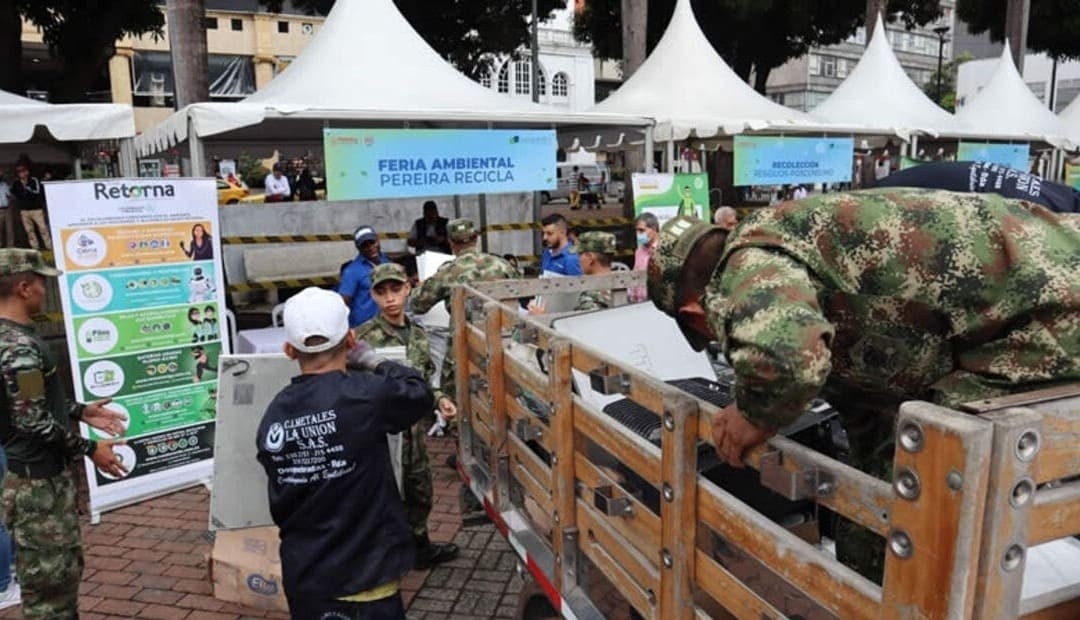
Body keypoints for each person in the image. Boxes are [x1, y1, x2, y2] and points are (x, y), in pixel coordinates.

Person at [646, 189, 1080, 584]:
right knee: (886, 495)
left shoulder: (745, 264)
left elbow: (787, 363)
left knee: (941, 468)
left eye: (707, 334)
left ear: (692, 310)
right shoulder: (788, 242)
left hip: (1048, 314)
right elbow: (871, 389)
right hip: (1034, 293)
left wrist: (751, 415)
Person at [255, 287, 434, 619]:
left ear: (289, 350)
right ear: (351, 339)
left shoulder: (275, 412)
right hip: (368, 581)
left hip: (307, 580)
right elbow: (419, 393)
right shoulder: (365, 395)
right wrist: (375, 361)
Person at [0, 248, 128, 618]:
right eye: (41, 282)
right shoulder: (17, 347)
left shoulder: (15, 339)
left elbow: (27, 402)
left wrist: (79, 410)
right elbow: (31, 422)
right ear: (24, 287)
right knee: (50, 595)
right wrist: (90, 448)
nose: (45, 289)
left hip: (38, 482)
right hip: (37, 488)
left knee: (58, 578)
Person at [354, 263, 460, 569]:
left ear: (408, 288)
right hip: (381, 433)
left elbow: (424, 377)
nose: (390, 298)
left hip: (414, 431)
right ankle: (382, 555)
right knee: (383, 494)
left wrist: (439, 399)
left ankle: (419, 547)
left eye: (395, 289)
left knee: (420, 490)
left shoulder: (419, 334)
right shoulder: (363, 338)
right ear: (373, 295)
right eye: (381, 291)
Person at [411, 218, 517, 406]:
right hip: (501, 340)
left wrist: (421, 287)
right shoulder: (502, 265)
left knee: (459, 399)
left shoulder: (448, 271)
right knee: (502, 395)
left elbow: (418, 304)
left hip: (463, 344)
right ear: (476, 238)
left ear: (451, 242)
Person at [529, 232, 616, 314]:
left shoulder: (591, 297)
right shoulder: (624, 287)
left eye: (579, 254)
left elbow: (579, 328)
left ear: (590, 258)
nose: (578, 259)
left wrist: (542, 317)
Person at [338, 226, 389, 328]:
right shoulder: (352, 271)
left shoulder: (386, 261)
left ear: (378, 241)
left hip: (386, 324)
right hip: (363, 328)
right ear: (359, 248)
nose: (371, 248)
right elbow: (343, 302)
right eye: (365, 245)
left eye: (372, 242)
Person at [9, 164, 50, 251]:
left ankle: (49, 247)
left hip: (36, 210)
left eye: (22, 171)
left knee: (43, 229)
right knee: (29, 231)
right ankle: (35, 248)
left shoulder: (34, 180)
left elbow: (38, 192)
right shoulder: (16, 183)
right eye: (19, 172)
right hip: (24, 211)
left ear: (27, 172)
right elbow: (12, 193)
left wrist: (28, 189)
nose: (21, 174)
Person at [629, 212, 659, 303]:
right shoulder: (639, 252)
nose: (638, 234)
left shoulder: (663, 250)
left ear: (653, 229)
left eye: (642, 230)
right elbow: (635, 276)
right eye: (637, 231)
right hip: (639, 303)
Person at [0, 170, 13, 248]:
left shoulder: (4, 185)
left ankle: (11, 247)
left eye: (1, 174)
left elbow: (10, 195)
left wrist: (9, 202)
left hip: (7, 209)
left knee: (10, 229)